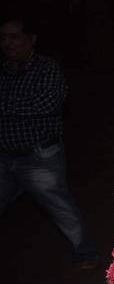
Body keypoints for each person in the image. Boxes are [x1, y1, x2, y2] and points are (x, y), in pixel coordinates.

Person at [0, 16, 97, 269]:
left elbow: (46, 105)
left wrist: (5, 106)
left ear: (31, 39)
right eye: (4, 38)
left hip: (39, 157)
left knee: (60, 206)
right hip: (6, 157)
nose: (8, 44)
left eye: (15, 37)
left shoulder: (46, 67)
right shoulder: (5, 72)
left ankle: (86, 252)